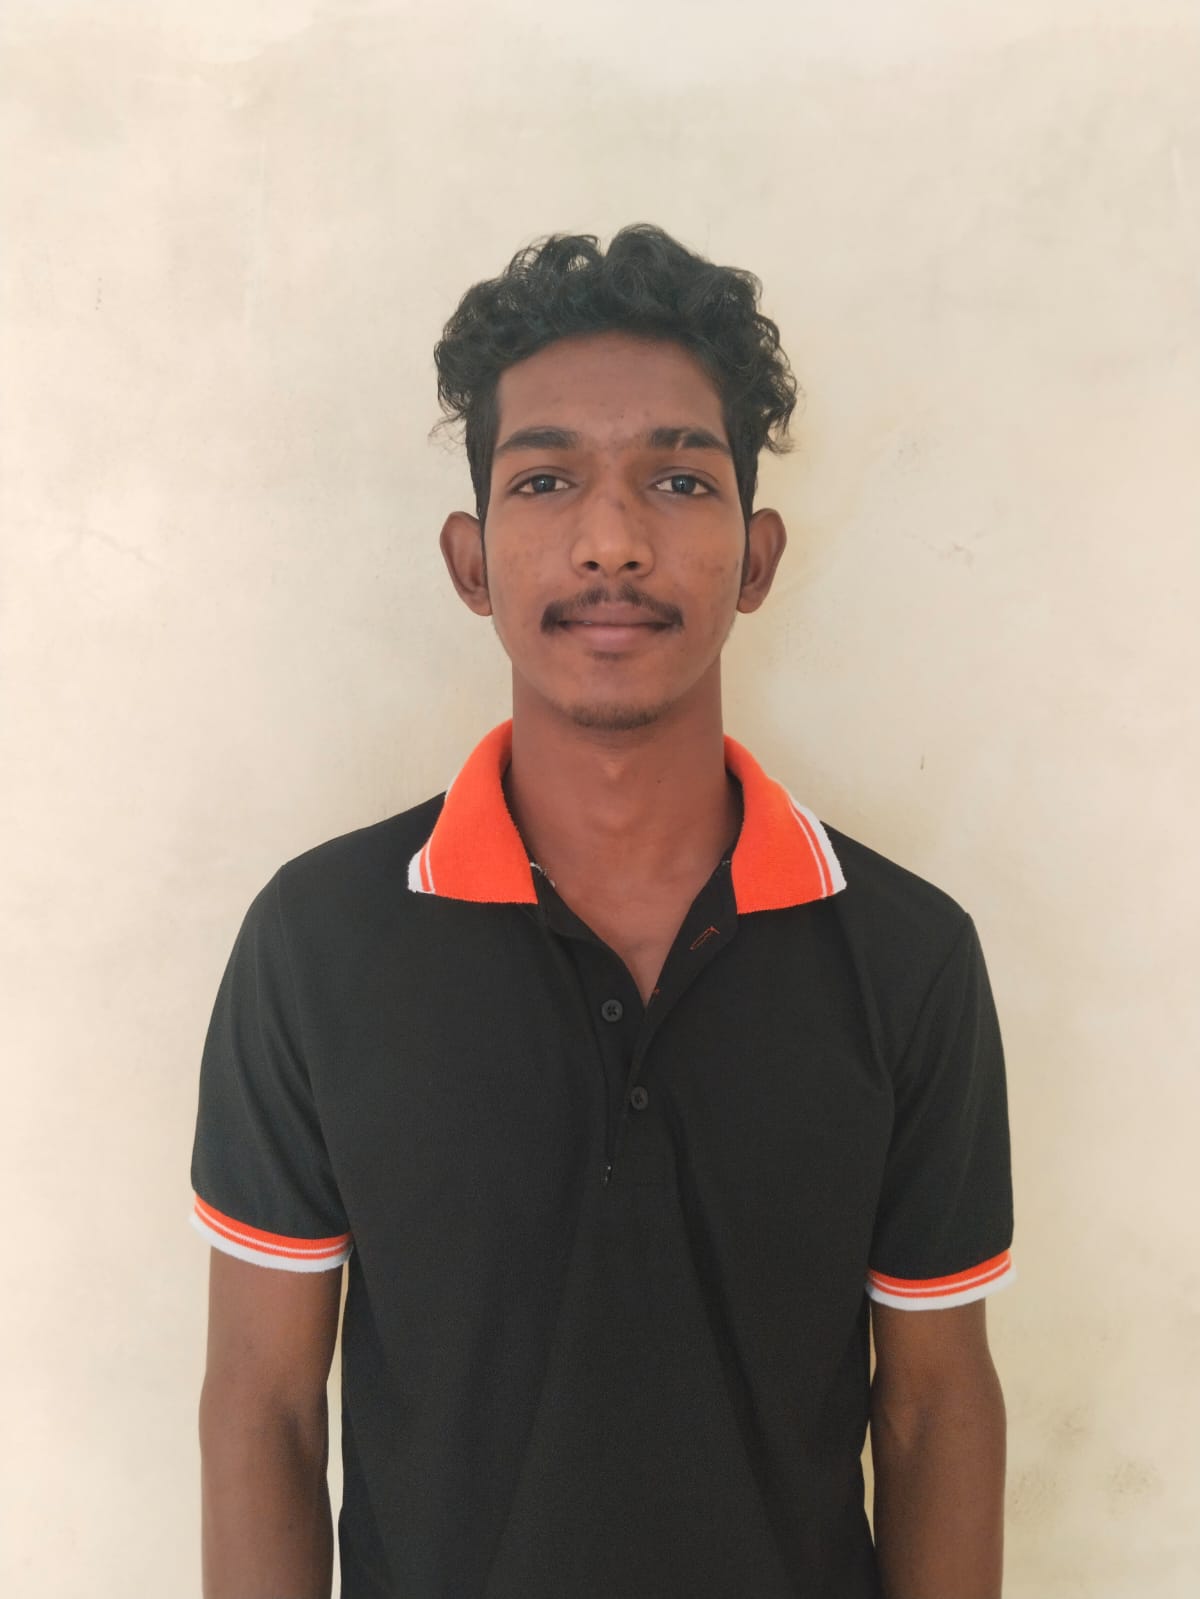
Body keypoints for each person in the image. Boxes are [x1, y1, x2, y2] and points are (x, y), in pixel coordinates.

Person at [192, 224, 1014, 1599]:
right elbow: (263, 1406)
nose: (614, 541)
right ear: (471, 563)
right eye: (547, 479)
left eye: (680, 479)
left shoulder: (906, 956)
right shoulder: (318, 943)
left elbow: (935, 1409)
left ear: (755, 559)